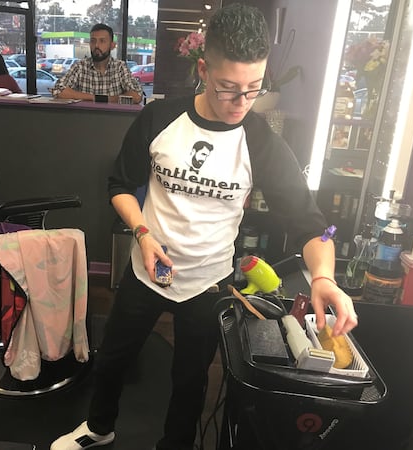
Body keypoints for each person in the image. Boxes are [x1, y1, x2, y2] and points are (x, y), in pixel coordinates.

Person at [51, 4, 358, 450]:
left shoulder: (261, 143)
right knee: (113, 359)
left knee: (191, 381)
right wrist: (142, 232)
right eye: (228, 88)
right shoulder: (159, 118)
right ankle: (99, 428)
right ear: (203, 69)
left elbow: (314, 225)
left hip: (208, 283)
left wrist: (325, 277)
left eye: (253, 90)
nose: (240, 103)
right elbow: (119, 184)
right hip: (146, 270)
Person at [52, 24, 143, 104]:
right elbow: (58, 90)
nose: (96, 46)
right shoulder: (80, 66)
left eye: (102, 41)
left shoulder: (119, 67)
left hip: (114, 121)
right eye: (93, 41)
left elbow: (137, 95)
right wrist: (95, 98)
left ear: (112, 45)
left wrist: (107, 100)